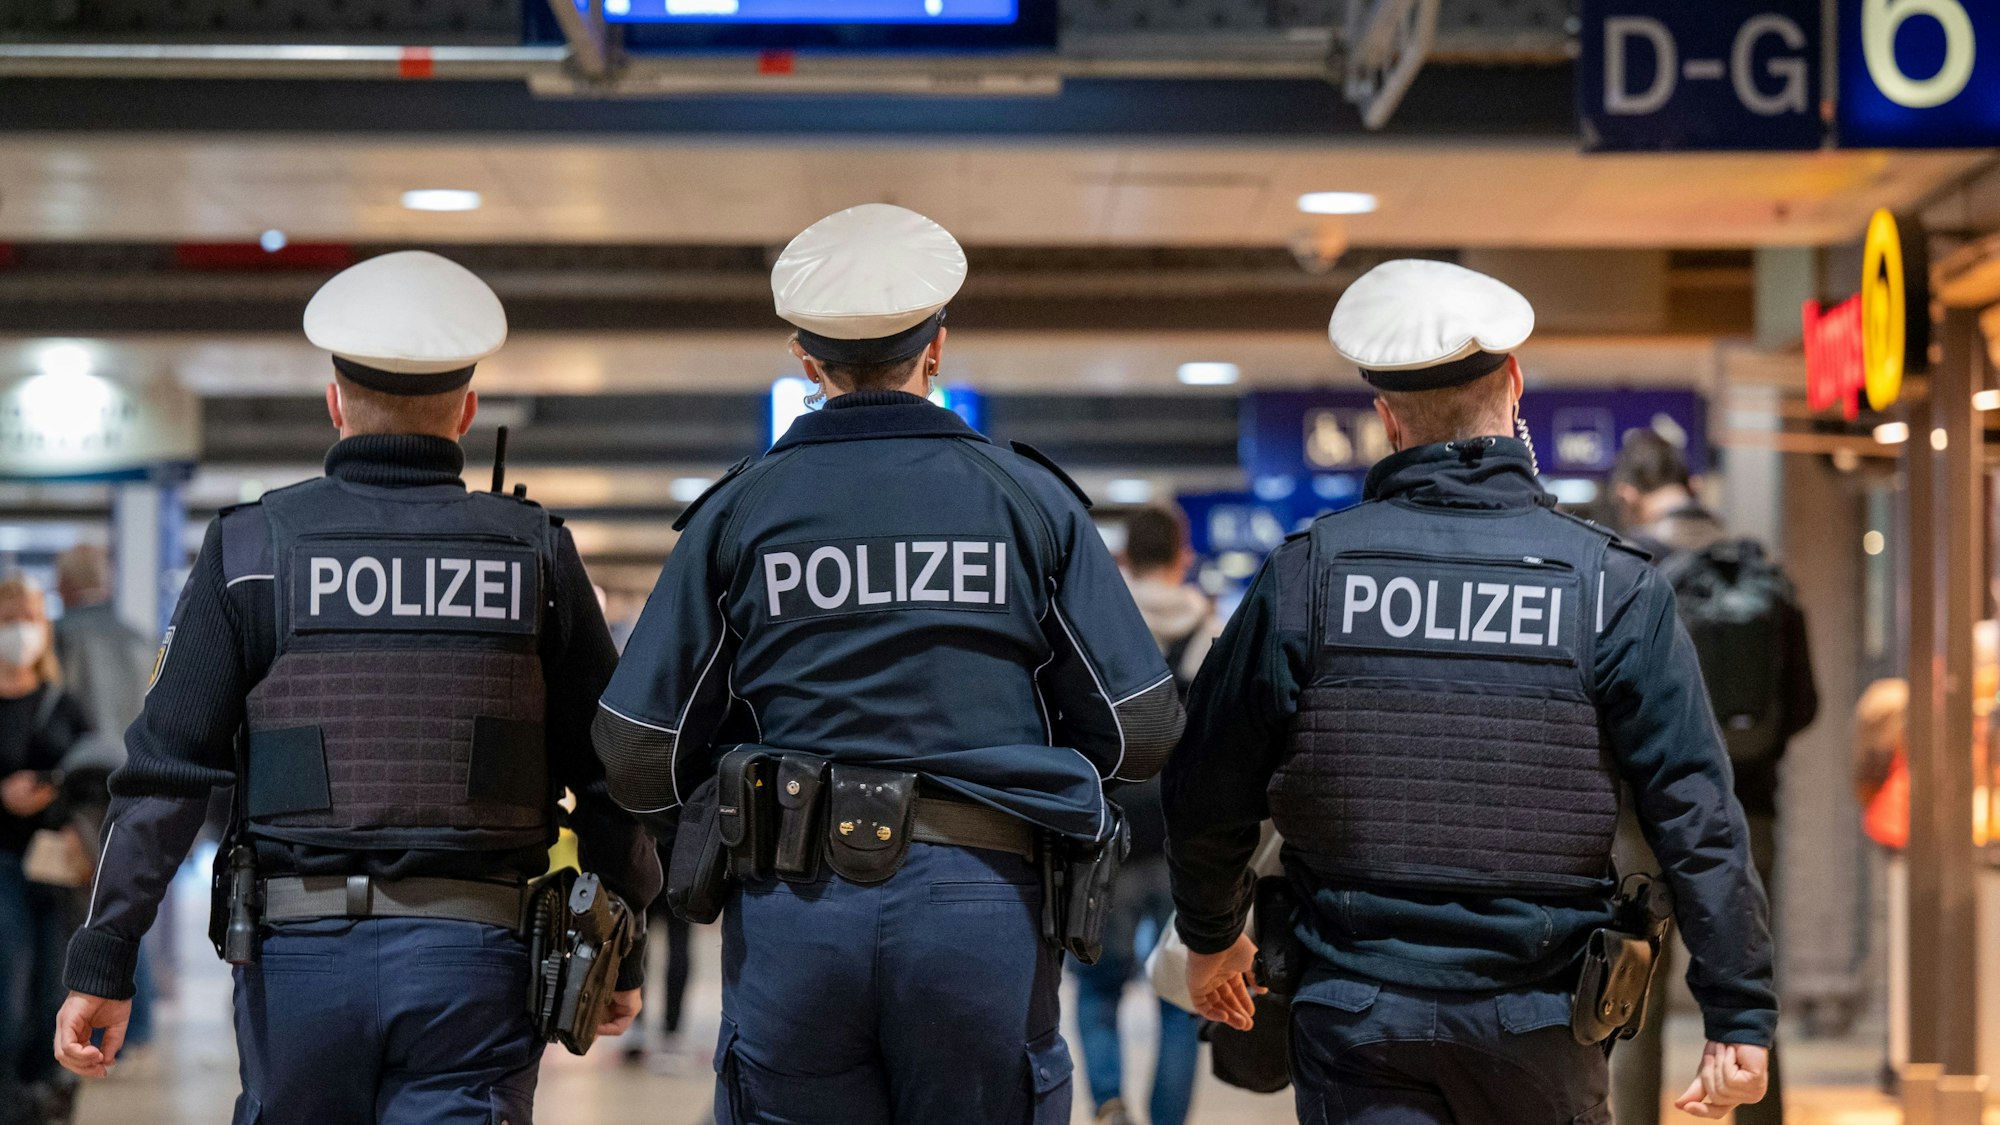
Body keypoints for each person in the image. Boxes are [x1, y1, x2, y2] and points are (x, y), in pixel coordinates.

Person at [594, 203, 1184, 1125]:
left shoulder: (737, 515)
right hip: (985, 904)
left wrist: (716, 829)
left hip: (794, 901)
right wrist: (1042, 777)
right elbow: (1139, 727)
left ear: (805, 360)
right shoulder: (1029, 502)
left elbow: (636, 748)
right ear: (937, 347)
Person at [51, 250, 661, 1123]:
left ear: (335, 402)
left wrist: (104, 956)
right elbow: (609, 777)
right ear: (469, 410)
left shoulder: (252, 552)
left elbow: (167, 773)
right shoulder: (536, 558)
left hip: (299, 963)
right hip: (478, 963)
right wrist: (623, 944)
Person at [1165, 259, 1776, 1123]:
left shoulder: (1308, 576)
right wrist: (1737, 1008)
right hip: (1540, 1015)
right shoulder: (1609, 586)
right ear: (1515, 386)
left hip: (1354, 1005)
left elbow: (1208, 781)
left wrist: (1210, 933)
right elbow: (1697, 814)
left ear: (1385, 417)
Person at [1609, 430, 1817, 1125]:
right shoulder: (1761, 569)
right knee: (1747, 985)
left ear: (1630, 494)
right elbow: (1806, 702)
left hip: (1641, 822)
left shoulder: (1632, 574)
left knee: (1629, 993)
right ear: (1692, 486)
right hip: (1749, 814)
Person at [1071, 507, 1217, 1125]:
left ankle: (1108, 1100)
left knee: (1098, 989)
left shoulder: (1100, 623)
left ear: (1123, 559)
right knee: (1180, 1001)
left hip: (1108, 835)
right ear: (1182, 555)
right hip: (1182, 842)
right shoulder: (1209, 626)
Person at [51, 545, 160, 1057]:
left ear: (63, 586)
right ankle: (135, 1030)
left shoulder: (61, 639)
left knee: (77, 909)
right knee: (129, 902)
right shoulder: (141, 640)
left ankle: (83, 1028)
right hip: (138, 788)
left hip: (80, 792)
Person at [0, 575, 92, 1125]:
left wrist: (54, 793)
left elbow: (92, 772)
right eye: (9, 619)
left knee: (49, 993)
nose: (19, 631)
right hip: (3, 863)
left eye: (28, 618)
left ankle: (40, 1097)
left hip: (54, 867)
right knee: (7, 984)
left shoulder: (62, 703)